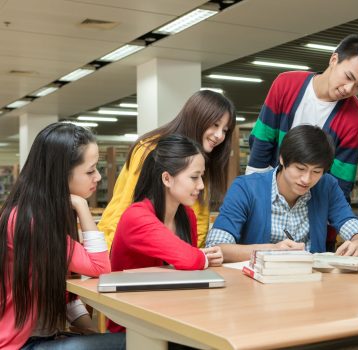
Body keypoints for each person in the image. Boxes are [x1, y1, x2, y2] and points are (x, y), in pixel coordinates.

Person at [0, 122, 125, 349]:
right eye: (90, 170)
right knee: (133, 344)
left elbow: (63, 293)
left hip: (44, 337)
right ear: (60, 175)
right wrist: (82, 206)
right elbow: (100, 267)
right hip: (20, 345)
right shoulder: (29, 221)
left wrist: (90, 330)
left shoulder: (43, 214)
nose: (97, 176)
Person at [247, 33, 358, 200]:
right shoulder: (286, 84)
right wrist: (252, 192)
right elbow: (262, 140)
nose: (349, 89)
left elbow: (341, 180)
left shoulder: (354, 118)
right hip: (267, 187)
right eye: (348, 77)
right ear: (334, 60)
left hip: (313, 200)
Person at [109, 134, 223, 333]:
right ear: (167, 178)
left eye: (202, 176)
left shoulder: (187, 216)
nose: (201, 185)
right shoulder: (136, 216)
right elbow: (189, 259)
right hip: (135, 328)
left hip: (174, 318)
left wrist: (202, 258)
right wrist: (203, 257)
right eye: (194, 177)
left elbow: (192, 269)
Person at [206, 125, 358, 263]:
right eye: (300, 169)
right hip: (257, 287)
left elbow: (356, 230)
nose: (306, 179)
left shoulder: (326, 186)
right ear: (283, 159)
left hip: (311, 286)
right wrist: (270, 250)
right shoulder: (245, 188)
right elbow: (216, 247)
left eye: (316, 171)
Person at [98, 90, 236, 249]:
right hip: (130, 252)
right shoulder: (150, 149)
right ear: (197, 119)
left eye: (225, 130)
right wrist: (111, 258)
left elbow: (200, 216)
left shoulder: (200, 159)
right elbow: (125, 207)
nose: (219, 135)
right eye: (215, 125)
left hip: (175, 259)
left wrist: (197, 256)